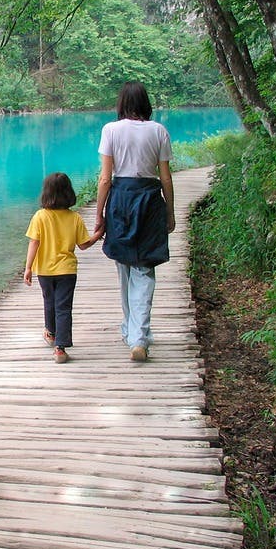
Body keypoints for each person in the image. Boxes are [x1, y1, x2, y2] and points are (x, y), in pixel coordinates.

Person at [94, 81, 176, 363]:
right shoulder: (158, 131)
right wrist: (170, 212)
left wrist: (99, 213)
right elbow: (165, 177)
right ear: (146, 103)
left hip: (121, 200)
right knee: (144, 268)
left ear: (121, 104)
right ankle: (137, 335)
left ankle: (135, 333)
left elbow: (105, 177)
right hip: (150, 199)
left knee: (125, 267)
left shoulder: (110, 130)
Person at [24, 172, 103, 364]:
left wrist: (28, 268)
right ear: (68, 192)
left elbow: (34, 243)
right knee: (63, 307)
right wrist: (98, 234)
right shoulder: (74, 218)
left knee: (49, 302)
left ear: (46, 193)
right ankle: (60, 348)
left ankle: (50, 333)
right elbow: (83, 245)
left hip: (44, 270)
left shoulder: (40, 216)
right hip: (67, 270)